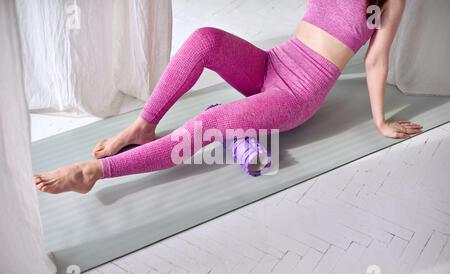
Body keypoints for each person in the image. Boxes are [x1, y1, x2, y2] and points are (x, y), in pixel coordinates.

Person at [34, 0, 421, 194]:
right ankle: (143, 125)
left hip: (297, 93)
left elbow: (375, 60)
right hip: (274, 62)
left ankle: (94, 174)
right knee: (205, 39)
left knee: (213, 124)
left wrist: (380, 121)